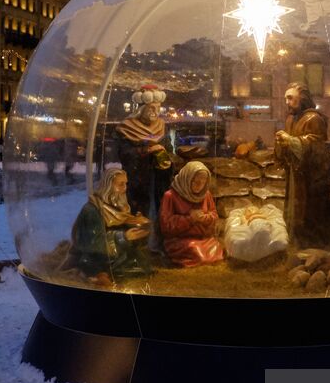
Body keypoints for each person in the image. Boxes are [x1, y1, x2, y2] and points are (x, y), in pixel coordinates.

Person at [68, 167, 153, 285]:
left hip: (116, 253)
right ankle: (98, 275)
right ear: (108, 186)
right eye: (120, 184)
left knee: (141, 266)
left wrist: (135, 222)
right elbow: (93, 243)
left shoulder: (119, 206)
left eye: (126, 184)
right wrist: (124, 237)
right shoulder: (93, 210)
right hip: (95, 256)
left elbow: (118, 224)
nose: (124, 189)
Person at [274, 81, 330, 245]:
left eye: (291, 98)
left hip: (310, 178)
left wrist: (291, 141)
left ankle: (311, 242)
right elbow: (289, 145)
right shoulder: (291, 119)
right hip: (295, 173)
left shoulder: (314, 119)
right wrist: (282, 143)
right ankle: (294, 238)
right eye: (286, 99)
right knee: (294, 208)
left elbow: (317, 147)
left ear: (303, 98)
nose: (287, 102)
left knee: (308, 211)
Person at [116, 86, 172, 224]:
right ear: (141, 109)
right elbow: (123, 153)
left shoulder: (161, 125)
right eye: (151, 108)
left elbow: (169, 149)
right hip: (137, 179)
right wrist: (145, 151)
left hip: (158, 178)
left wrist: (164, 155)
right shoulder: (127, 128)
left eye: (158, 108)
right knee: (138, 211)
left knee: (160, 207)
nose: (155, 112)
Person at [158, 160, 224, 267]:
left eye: (203, 183)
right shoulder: (170, 196)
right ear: (187, 178)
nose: (199, 186)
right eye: (196, 181)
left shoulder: (206, 195)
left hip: (202, 238)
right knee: (197, 252)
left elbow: (214, 215)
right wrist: (190, 219)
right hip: (180, 240)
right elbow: (166, 224)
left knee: (217, 249)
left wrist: (205, 218)